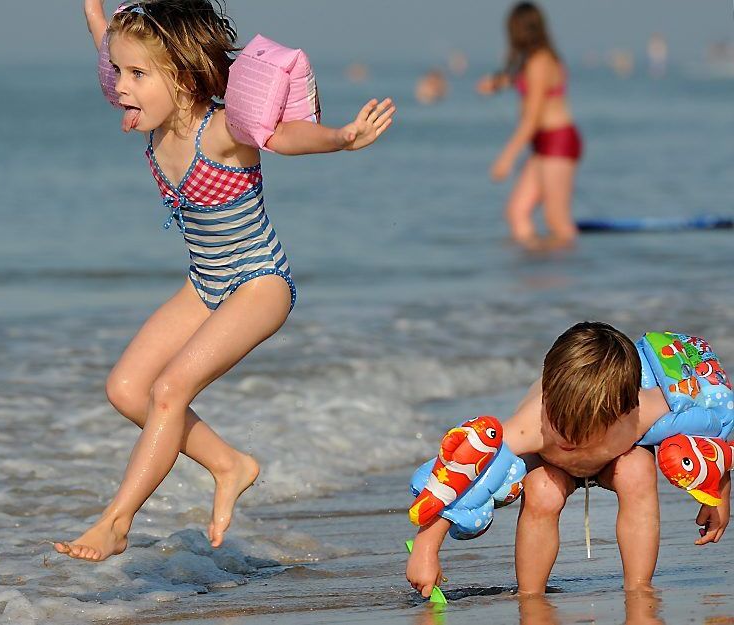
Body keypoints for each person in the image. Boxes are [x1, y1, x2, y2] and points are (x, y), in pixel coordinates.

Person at [60, 0, 395, 562]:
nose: (120, 86)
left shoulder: (219, 132)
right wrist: (93, 9)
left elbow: (282, 136)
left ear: (185, 75)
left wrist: (340, 137)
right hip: (205, 281)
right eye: (118, 72)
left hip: (259, 283)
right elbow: (105, 35)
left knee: (168, 390)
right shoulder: (155, 119)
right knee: (126, 388)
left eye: (137, 75)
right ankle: (228, 463)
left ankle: (116, 522)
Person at [406, 321, 732, 596]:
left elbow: (711, 433)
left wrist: (716, 493)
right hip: (551, 467)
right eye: (563, 422)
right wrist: (426, 548)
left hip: (612, 463)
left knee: (638, 469)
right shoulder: (532, 427)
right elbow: (463, 474)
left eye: (586, 428)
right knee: (544, 493)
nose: (572, 439)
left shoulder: (643, 412)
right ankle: (530, 596)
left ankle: (639, 589)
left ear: (624, 410)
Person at [477, 2, 582, 250]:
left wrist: (507, 157)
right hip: (544, 143)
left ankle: (573, 280)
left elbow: (532, 120)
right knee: (517, 212)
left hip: (558, 141)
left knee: (557, 220)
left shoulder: (540, 62)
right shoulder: (533, 61)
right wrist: (497, 82)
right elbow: (521, 80)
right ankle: (538, 275)